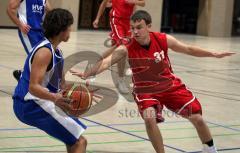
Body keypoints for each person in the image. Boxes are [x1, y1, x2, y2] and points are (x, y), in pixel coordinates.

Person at [71, 10, 236, 153]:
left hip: (170, 86)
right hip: (146, 90)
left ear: (149, 26)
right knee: (150, 119)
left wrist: (213, 54)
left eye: (139, 27)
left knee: (198, 119)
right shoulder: (126, 47)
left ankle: (210, 149)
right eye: (133, 28)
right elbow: (106, 62)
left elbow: (188, 49)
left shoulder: (163, 39)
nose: (135, 31)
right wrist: (88, 73)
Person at [12, 8, 87, 153]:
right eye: (69, 26)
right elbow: (33, 87)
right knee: (79, 142)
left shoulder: (56, 51)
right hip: (29, 104)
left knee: (71, 139)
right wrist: (55, 98)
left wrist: (81, 91)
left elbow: (61, 85)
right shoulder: (44, 52)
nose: (71, 30)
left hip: (34, 102)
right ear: (61, 29)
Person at [92, 0, 145, 94]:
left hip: (128, 22)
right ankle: (121, 80)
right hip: (116, 20)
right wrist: (97, 18)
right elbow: (104, 4)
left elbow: (143, 3)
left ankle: (97, 61)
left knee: (119, 47)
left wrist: (132, 2)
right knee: (123, 46)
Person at [7, 0, 52, 81]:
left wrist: (48, 11)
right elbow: (10, 9)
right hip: (28, 32)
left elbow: (50, 12)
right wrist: (20, 25)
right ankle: (27, 82)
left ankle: (22, 75)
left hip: (41, 31)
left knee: (47, 58)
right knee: (37, 58)